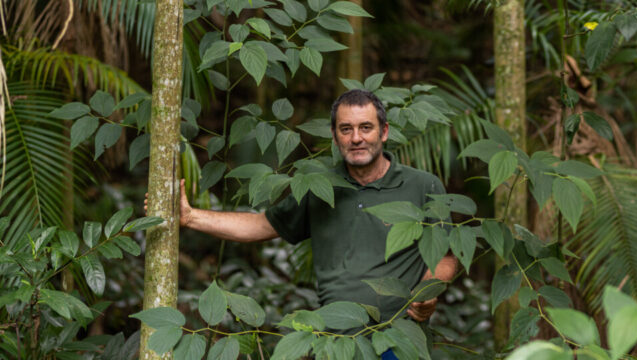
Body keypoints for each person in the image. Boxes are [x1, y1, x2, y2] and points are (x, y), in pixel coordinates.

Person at [146, 89, 457, 327]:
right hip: (333, 339)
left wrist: (426, 295)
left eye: (366, 127)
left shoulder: (423, 186)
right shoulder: (317, 187)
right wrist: (189, 216)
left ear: (384, 132)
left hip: (397, 335)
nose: (357, 138)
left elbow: (444, 257)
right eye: (346, 129)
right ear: (335, 136)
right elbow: (262, 226)